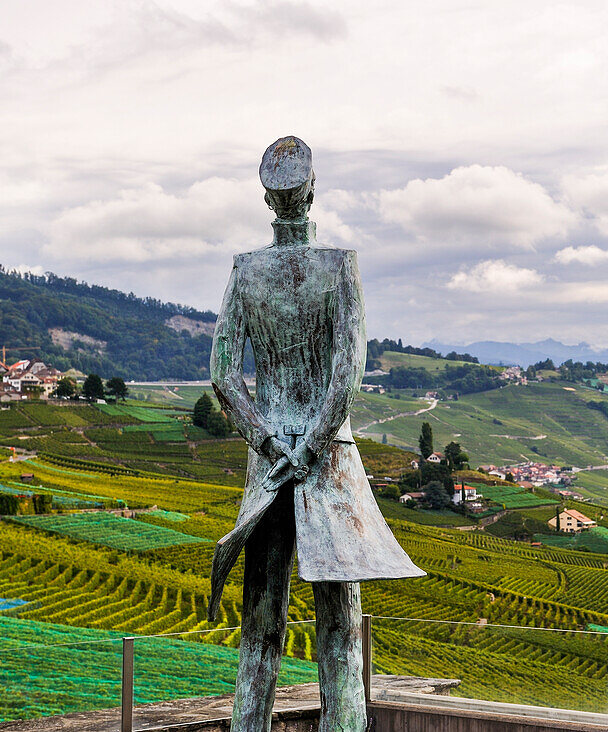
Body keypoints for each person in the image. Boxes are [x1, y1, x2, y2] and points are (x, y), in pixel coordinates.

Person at [208, 136, 423, 731]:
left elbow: (223, 373)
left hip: (269, 466)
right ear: (311, 192)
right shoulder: (338, 266)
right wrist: (310, 445)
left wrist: (272, 444)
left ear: (267, 197)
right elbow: (346, 373)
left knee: (260, 630)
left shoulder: (245, 272)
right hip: (327, 463)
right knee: (339, 633)